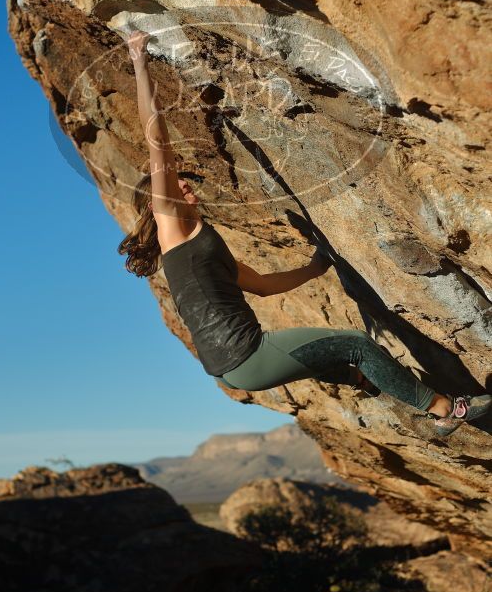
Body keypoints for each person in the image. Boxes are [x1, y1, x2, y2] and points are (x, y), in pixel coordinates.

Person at [118, 30, 491, 437]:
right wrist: (139, 59)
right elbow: (156, 138)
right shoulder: (171, 226)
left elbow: (261, 285)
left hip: (232, 369)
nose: (184, 185)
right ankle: (444, 409)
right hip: (247, 357)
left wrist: (315, 269)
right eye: (174, 186)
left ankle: (362, 381)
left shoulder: (195, 251)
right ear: (157, 204)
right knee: (356, 344)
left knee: (339, 359)